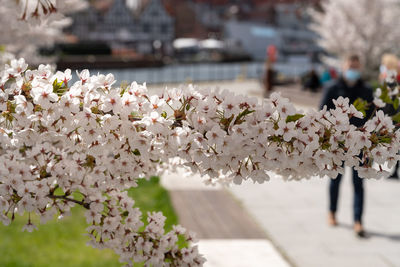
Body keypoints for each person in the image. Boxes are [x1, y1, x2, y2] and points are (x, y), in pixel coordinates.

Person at [320, 54, 374, 238]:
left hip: (360, 143)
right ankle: (332, 212)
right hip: (338, 142)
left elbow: (373, 116)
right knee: (335, 179)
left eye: (356, 67)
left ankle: (358, 221)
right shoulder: (332, 88)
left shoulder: (366, 90)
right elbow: (322, 114)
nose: (353, 70)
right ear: (343, 67)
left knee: (359, 183)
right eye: (350, 66)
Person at [379, 54, 400, 179]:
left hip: (392, 117)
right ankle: (395, 170)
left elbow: (388, 101)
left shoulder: (390, 80)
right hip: (395, 116)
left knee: (395, 144)